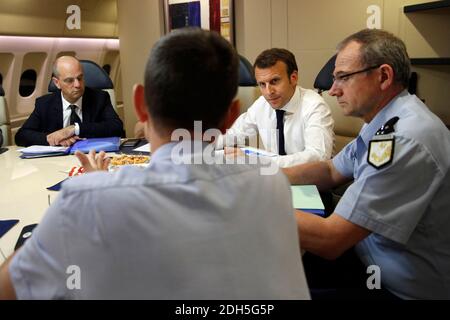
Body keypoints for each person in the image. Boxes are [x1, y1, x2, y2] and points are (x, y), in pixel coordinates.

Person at [0, 28, 310, 300]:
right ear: (232, 116)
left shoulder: (85, 200)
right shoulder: (272, 186)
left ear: (139, 104)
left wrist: (94, 188)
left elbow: (10, 287)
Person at [283, 29, 450, 299]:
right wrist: (264, 177)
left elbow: (331, 239)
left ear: (383, 76)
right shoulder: (383, 120)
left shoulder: (405, 138)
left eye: (343, 77)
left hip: (397, 287)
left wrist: (253, 199)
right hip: (366, 257)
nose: (333, 89)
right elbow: (330, 170)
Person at [219, 48, 334, 168]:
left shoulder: (314, 105)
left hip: (311, 182)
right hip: (275, 179)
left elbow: (318, 156)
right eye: (262, 84)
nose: (268, 92)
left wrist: (260, 161)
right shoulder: (262, 104)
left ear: (293, 78)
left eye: (274, 81)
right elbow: (233, 134)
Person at [14, 56, 124, 147]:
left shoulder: (99, 98)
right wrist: (52, 139)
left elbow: (116, 127)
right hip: (57, 163)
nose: (77, 85)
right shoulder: (44, 104)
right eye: (69, 80)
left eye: (80, 78)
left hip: (92, 156)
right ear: (57, 83)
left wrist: (74, 129)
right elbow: (21, 135)